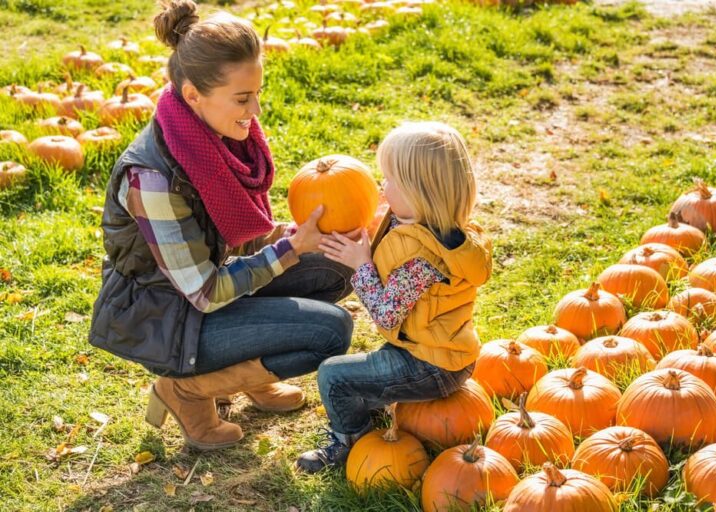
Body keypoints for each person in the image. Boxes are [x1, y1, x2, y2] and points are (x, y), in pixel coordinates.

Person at [88, 0, 357, 451]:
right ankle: (187, 390)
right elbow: (205, 291)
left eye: (256, 93)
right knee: (330, 331)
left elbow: (239, 235)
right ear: (193, 94)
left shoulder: (213, 137)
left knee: (333, 267)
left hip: (199, 294)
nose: (254, 110)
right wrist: (288, 251)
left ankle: (249, 374)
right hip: (166, 317)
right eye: (241, 98)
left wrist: (296, 237)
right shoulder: (152, 178)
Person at [296, 121, 493, 472]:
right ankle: (379, 405)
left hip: (430, 365)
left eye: (390, 181)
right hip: (431, 349)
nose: (383, 188)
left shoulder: (424, 258)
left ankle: (350, 442)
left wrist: (361, 266)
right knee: (363, 379)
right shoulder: (428, 225)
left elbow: (387, 314)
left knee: (333, 376)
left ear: (420, 192)